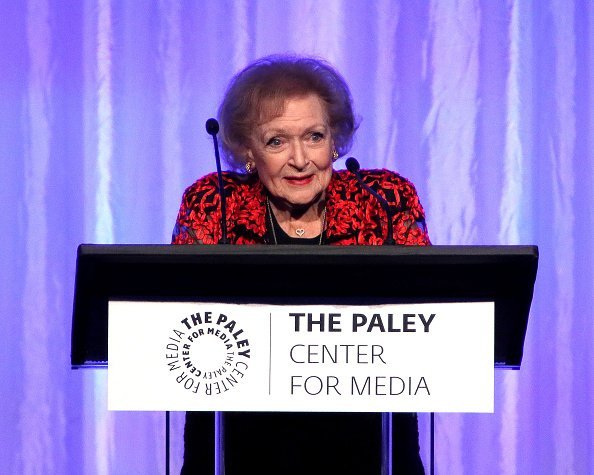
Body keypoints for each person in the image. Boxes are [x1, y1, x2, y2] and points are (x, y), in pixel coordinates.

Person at [173, 55, 429, 474]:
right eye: (276, 141)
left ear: (335, 140)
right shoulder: (213, 203)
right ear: (247, 150)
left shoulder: (383, 198)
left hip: (370, 436)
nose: (300, 159)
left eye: (314, 136)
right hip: (238, 438)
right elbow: (181, 320)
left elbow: (427, 313)